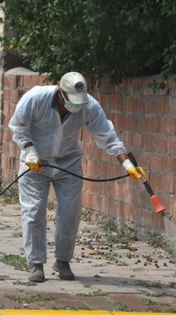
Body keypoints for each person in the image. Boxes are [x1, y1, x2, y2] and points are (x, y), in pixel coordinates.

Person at [8, 72, 146, 282]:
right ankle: (36, 264)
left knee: (70, 212)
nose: (75, 107)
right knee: (34, 210)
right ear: (61, 93)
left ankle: (62, 261)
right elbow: (18, 125)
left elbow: (106, 135)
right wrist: (29, 150)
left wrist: (126, 163)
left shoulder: (89, 105)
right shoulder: (36, 98)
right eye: (71, 102)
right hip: (35, 162)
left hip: (68, 162)